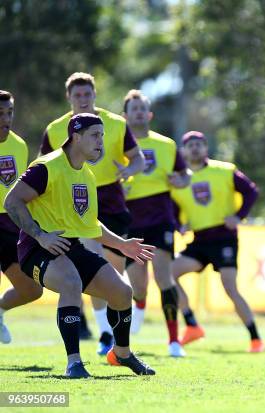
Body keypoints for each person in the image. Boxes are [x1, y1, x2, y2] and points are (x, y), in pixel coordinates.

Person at [4, 113, 155, 378]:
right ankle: (74, 363)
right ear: (76, 136)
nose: (101, 142)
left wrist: (122, 245)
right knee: (71, 282)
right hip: (36, 249)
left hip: (70, 247)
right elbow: (12, 201)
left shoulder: (86, 175)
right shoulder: (47, 167)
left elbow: (90, 225)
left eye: (103, 136)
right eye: (95, 135)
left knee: (122, 291)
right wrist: (41, 235)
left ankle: (122, 354)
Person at [41, 72, 145, 355]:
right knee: (94, 264)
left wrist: (128, 169)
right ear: (69, 98)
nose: (83, 100)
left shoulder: (115, 123)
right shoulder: (55, 129)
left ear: (95, 95)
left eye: (88, 94)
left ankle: (115, 329)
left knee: (115, 273)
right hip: (75, 205)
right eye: (78, 95)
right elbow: (43, 169)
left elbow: (139, 159)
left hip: (111, 200)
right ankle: (104, 333)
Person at [171, 131, 264, 353]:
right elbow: (173, 208)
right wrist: (179, 225)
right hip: (200, 240)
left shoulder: (224, 170)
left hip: (224, 238)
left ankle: (256, 339)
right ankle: (192, 325)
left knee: (230, 288)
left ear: (206, 148)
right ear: (183, 151)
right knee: (167, 273)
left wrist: (239, 216)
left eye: (199, 144)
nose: (194, 148)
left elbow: (251, 191)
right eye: (190, 145)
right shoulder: (180, 180)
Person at [121, 90, 191, 357]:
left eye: (142, 108)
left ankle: (174, 340)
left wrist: (181, 181)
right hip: (131, 219)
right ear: (125, 116)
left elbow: (185, 176)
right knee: (138, 286)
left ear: (149, 114)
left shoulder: (167, 144)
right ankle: (139, 305)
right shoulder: (117, 146)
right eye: (133, 108)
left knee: (164, 277)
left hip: (161, 218)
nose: (138, 112)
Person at [0, 90, 43, 343]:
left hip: (9, 224)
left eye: (9, 112)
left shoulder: (18, 145)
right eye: (0, 114)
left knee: (32, 290)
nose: (6, 118)